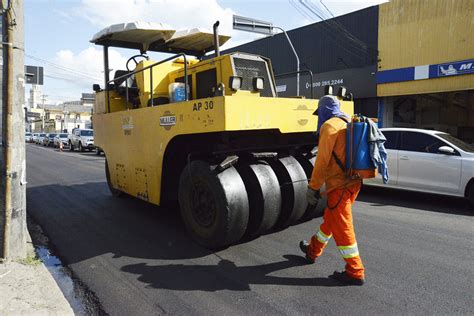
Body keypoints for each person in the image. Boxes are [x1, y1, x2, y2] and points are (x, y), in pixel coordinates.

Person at [299, 95, 365, 286]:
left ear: (324, 111)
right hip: (355, 182)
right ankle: (312, 250)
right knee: (331, 218)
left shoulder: (329, 127)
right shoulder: (349, 120)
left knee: (343, 227)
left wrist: (313, 187)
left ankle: (355, 270)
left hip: (338, 186)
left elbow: (321, 162)